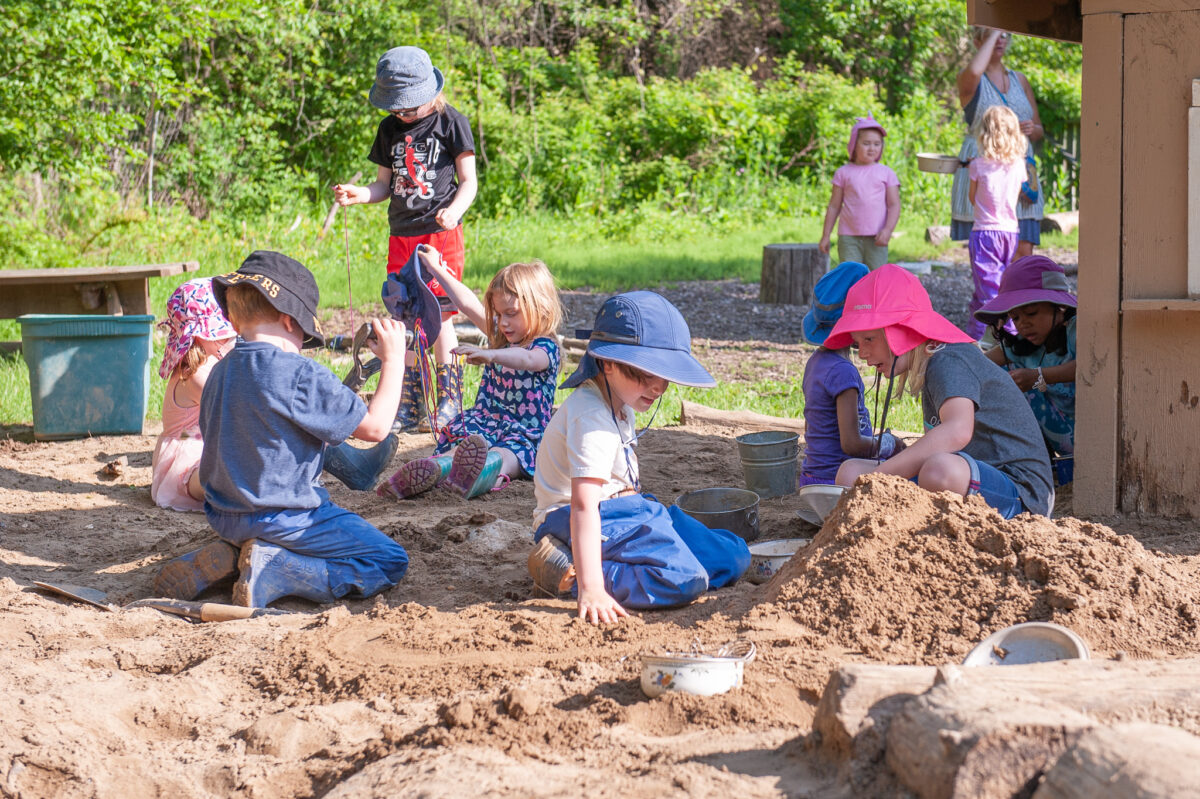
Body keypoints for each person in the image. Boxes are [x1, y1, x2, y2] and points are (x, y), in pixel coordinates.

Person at [197, 251, 411, 608]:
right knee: (389, 560)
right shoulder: (297, 373)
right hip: (285, 517)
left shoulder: (219, 372)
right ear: (290, 321)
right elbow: (375, 427)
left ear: (235, 322)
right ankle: (280, 570)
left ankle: (232, 558)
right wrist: (394, 361)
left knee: (259, 527)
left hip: (223, 514)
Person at [527, 291, 751, 625]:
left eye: (663, 376)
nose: (657, 387)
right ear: (608, 363)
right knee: (683, 578)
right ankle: (568, 570)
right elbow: (583, 505)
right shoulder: (590, 417)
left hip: (631, 508)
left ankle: (648, 565)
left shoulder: (620, 397)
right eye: (644, 374)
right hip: (574, 518)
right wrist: (592, 588)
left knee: (733, 554)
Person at [829, 264, 1054, 519]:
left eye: (870, 339)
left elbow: (957, 431)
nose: (862, 353)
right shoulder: (932, 363)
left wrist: (881, 477)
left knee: (938, 471)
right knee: (850, 473)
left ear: (904, 331)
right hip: (974, 477)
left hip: (1021, 495)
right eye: (858, 343)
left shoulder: (948, 359)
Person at [333, 45, 478, 435]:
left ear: (430, 93)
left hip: (439, 235)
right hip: (401, 236)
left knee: (439, 312)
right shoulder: (389, 131)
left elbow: (470, 182)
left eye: (409, 107)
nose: (402, 114)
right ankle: (411, 401)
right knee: (406, 315)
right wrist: (358, 194)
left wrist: (456, 210)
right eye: (396, 108)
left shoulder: (452, 122)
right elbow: (382, 185)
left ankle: (448, 397)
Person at [378, 248, 562, 499]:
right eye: (498, 314)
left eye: (511, 313)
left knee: (508, 455)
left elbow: (528, 360)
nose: (503, 322)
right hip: (486, 422)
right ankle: (435, 467)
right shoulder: (501, 337)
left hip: (523, 430)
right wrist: (436, 269)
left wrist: (491, 354)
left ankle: (480, 475)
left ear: (541, 309)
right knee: (464, 448)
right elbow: (466, 303)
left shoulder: (545, 347)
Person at [799, 261, 903, 485]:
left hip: (812, 476)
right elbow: (852, 445)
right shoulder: (843, 372)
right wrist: (888, 443)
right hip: (836, 479)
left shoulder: (815, 363)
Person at [951, 26, 1045, 259]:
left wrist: (1032, 129)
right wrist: (994, 30)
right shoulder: (971, 80)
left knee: (1024, 250)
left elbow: (1040, 129)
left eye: (1004, 34)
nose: (1000, 40)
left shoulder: (1019, 79)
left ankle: (1019, 296)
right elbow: (974, 71)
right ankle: (990, 295)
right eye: (992, 35)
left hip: (1021, 172)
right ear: (977, 42)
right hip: (986, 175)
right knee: (988, 249)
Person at [975, 255, 1076, 469]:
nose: (1023, 324)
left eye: (1031, 313)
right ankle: (1036, 461)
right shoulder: (1021, 346)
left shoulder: (1076, 330)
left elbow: (1090, 366)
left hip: (1097, 439)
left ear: (1059, 307)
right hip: (1057, 438)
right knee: (998, 374)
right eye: (1015, 317)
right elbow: (978, 364)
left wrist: (1039, 376)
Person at [151, 278, 236, 512]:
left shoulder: (208, 364)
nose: (229, 338)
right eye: (222, 333)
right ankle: (223, 493)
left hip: (202, 447)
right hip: (187, 457)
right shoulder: (196, 376)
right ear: (200, 335)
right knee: (222, 474)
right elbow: (233, 411)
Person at [966, 105, 1027, 341]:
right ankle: (973, 334)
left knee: (988, 292)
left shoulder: (978, 165)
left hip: (984, 234)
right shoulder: (1018, 165)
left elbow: (973, 198)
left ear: (985, 134)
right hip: (1009, 233)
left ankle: (1002, 338)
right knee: (991, 285)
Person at [818, 116, 901, 270]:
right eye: (866, 143)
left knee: (875, 278)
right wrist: (825, 236)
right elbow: (834, 206)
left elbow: (894, 204)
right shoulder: (843, 173)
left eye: (877, 144)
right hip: (848, 238)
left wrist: (888, 230)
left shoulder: (887, 173)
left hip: (877, 238)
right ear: (854, 145)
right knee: (850, 277)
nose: (872, 148)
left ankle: (873, 296)